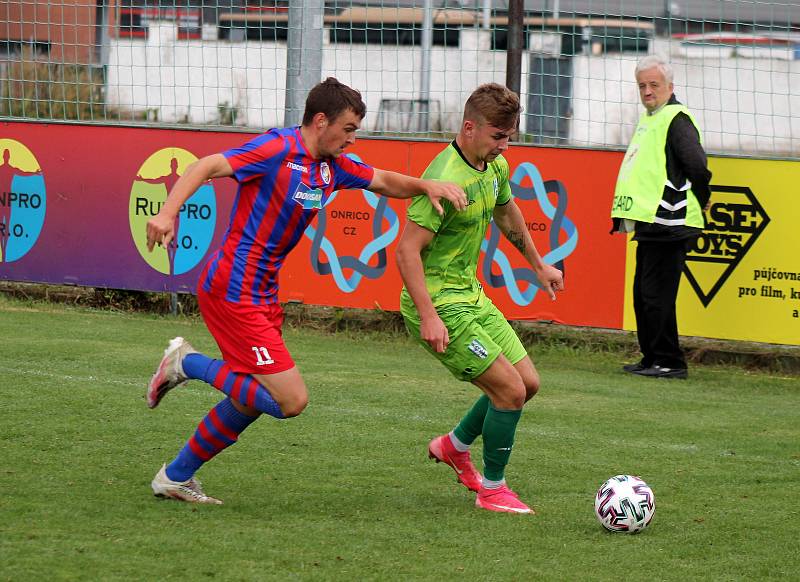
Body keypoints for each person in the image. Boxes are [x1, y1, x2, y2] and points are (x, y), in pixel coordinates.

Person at [145, 77, 467, 504]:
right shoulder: (277, 149)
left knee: (251, 399)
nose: (352, 139)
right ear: (321, 121)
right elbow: (206, 166)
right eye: (348, 129)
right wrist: (168, 213)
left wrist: (426, 186)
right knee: (289, 400)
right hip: (233, 289)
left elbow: (385, 180)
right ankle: (188, 363)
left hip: (261, 296)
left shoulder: (331, 167)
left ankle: (176, 475)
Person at [395, 83, 564, 514]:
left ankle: (454, 446)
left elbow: (509, 213)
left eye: (508, 137)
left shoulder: (495, 166)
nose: (503, 146)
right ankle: (492, 490)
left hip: (470, 296)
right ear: (469, 128)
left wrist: (539, 265)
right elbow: (406, 250)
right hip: (439, 305)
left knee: (527, 385)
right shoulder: (447, 179)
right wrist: (430, 316)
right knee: (507, 391)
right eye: (496, 136)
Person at [611, 55, 712, 380]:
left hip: (673, 223)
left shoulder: (676, 119)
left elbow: (696, 164)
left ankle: (670, 361)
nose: (647, 91)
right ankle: (652, 356)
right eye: (642, 85)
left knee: (657, 296)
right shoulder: (650, 118)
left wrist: (703, 197)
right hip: (653, 224)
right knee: (644, 295)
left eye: (654, 84)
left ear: (670, 87)